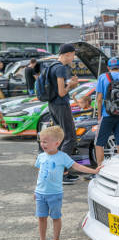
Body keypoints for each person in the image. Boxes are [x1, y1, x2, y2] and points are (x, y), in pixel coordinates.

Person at [31, 126, 101, 240]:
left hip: (55, 194)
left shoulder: (62, 157)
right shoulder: (41, 156)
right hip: (41, 194)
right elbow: (40, 174)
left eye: (45, 142)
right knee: (41, 217)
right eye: (41, 141)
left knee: (56, 217)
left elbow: (77, 166)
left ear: (57, 143)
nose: (42, 144)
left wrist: (93, 170)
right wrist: (36, 190)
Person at [48, 43, 80, 184]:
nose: (74, 57)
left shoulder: (52, 66)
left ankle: (63, 171)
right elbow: (62, 92)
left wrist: (70, 85)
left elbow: (58, 89)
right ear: (68, 54)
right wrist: (71, 86)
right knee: (70, 137)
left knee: (60, 138)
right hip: (61, 105)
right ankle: (60, 173)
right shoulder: (60, 68)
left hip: (53, 105)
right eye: (73, 54)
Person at [95, 57, 119, 167]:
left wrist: (99, 115)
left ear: (108, 67)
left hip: (107, 115)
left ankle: (99, 168)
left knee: (99, 143)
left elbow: (99, 98)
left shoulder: (103, 77)